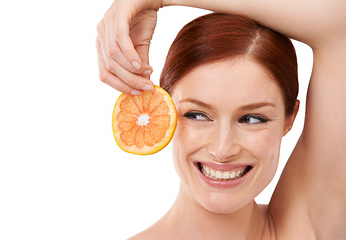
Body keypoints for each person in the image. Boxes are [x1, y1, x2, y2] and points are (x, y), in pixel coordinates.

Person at [96, 0, 346, 239]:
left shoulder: (309, 228)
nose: (222, 149)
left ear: (290, 118)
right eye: (197, 115)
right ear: (163, 110)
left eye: (251, 119)